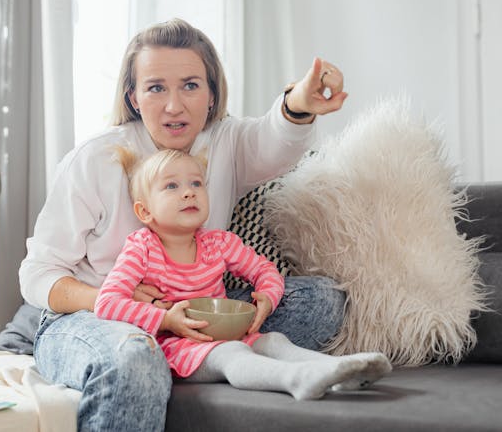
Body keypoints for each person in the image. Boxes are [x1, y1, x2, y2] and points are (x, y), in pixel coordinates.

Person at [18, 18, 349, 431]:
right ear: (134, 97)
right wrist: (116, 298)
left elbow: (274, 140)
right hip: (97, 319)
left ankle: (185, 357)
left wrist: (299, 102)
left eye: (191, 85)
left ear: (212, 95)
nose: (174, 105)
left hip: (192, 312)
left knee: (322, 301)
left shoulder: (225, 141)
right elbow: (36, 274)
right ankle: (159, 360)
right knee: (135, 357)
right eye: (156, 87)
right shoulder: (95, 160)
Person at [95, 148, 390, 399]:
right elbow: (106, 303)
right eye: (172, 186)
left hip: (226, 335)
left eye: (196, 183)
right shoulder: (142, 248)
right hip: (177, 349)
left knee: (273, 340)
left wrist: (269, 297)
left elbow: (264, 270)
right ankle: (296, 379)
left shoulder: (218, 243)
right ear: (145, 212)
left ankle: (336, 371)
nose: (189, 192)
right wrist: (166, 319)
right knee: (231, 354)